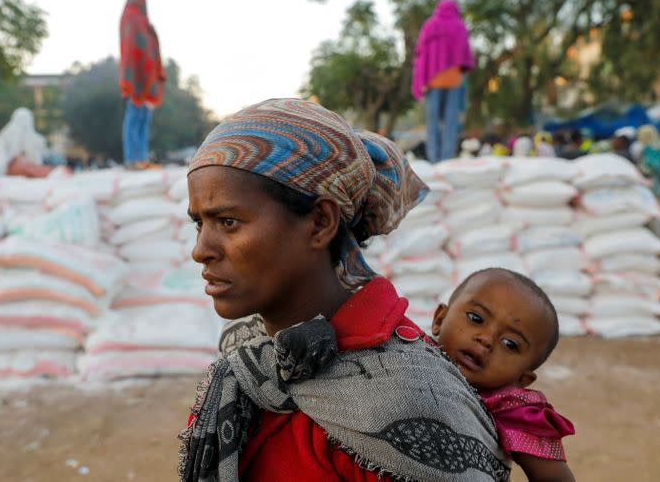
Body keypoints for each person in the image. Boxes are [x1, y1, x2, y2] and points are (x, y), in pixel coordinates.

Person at [179, 98, 511, 482]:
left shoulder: (408, 395)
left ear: (320, 222)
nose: (201, 250)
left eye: (229, 221)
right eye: (198, 225)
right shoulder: (248, 355)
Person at [432, 268, 576, 482]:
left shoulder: (511, 409)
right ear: (440, 319)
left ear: (521, 380)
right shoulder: (406, 353)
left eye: (510, 344)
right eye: (476, 318)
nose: (487, 339)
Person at [412, 0, 474, 164]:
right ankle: (447, 158)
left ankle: (434, 158)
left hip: (433, 80)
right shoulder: (460, 26)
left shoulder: (431, 25)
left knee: (432, 121)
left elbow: (420, 52)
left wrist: (422, 75)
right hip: (454, 80)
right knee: (450, 121)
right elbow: (465, 53)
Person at [119, 0, 165, 169]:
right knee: (134, 116)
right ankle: (132, 159)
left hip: (148, 76)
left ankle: (142, 157)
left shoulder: (144, 22)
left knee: (144, 118)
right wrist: (133, 76)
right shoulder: (130, 17)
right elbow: (132, 48)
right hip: (136, 75)